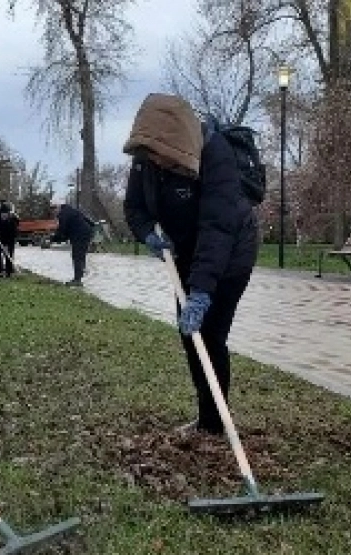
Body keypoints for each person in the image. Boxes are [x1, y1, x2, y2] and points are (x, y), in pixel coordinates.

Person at [122, 93, 258, 436]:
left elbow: (218, 227)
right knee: (190, 335)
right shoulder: (146, 160)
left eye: (164, 158)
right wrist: (148, 236)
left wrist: (200, 291)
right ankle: (207, 419)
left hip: (230, 251)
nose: (159, 164)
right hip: (183, 251)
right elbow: (135, 208)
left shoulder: (216, 155)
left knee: (211, 335)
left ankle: (215, 425)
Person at [51, 201, 96, 286]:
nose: (53, 211)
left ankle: (77, 280)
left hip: (80, 234)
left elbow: (62, 230)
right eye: (52, 209)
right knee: (80, 254)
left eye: (54, 208)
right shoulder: (70, 210)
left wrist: (53, 239)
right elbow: (86, 219)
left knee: (77, 255)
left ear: (58, 207)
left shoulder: (63, 214)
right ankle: (81, 272)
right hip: (86, 232)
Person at [0, 200, 19, 278]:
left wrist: (8, 245)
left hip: (10, 239)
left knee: (9, 255)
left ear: (8, 214)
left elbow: (14, 234)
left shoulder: (13, 221)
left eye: (5, 214)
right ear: (0, 214)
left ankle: (9, 272)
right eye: (2, 214)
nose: (4, 216)